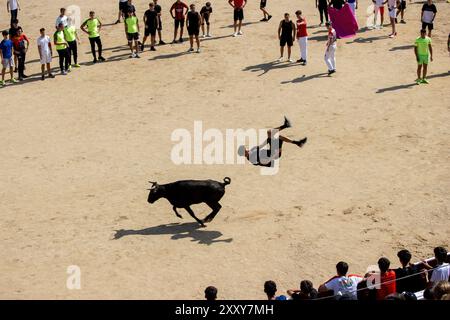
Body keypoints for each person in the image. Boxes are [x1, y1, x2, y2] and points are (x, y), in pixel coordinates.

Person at [239, 117, 307, 168]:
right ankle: (297, 142)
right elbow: (265, 162)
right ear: (244, 153)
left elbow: (261, 146)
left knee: (269, 133)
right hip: (274, 154)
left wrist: (268, 139)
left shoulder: (251, 150)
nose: (246, 149)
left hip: (272, 150)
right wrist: (276, 153)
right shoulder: (252, 159)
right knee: (278, 136)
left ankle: (286, 126)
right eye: (245, 150)